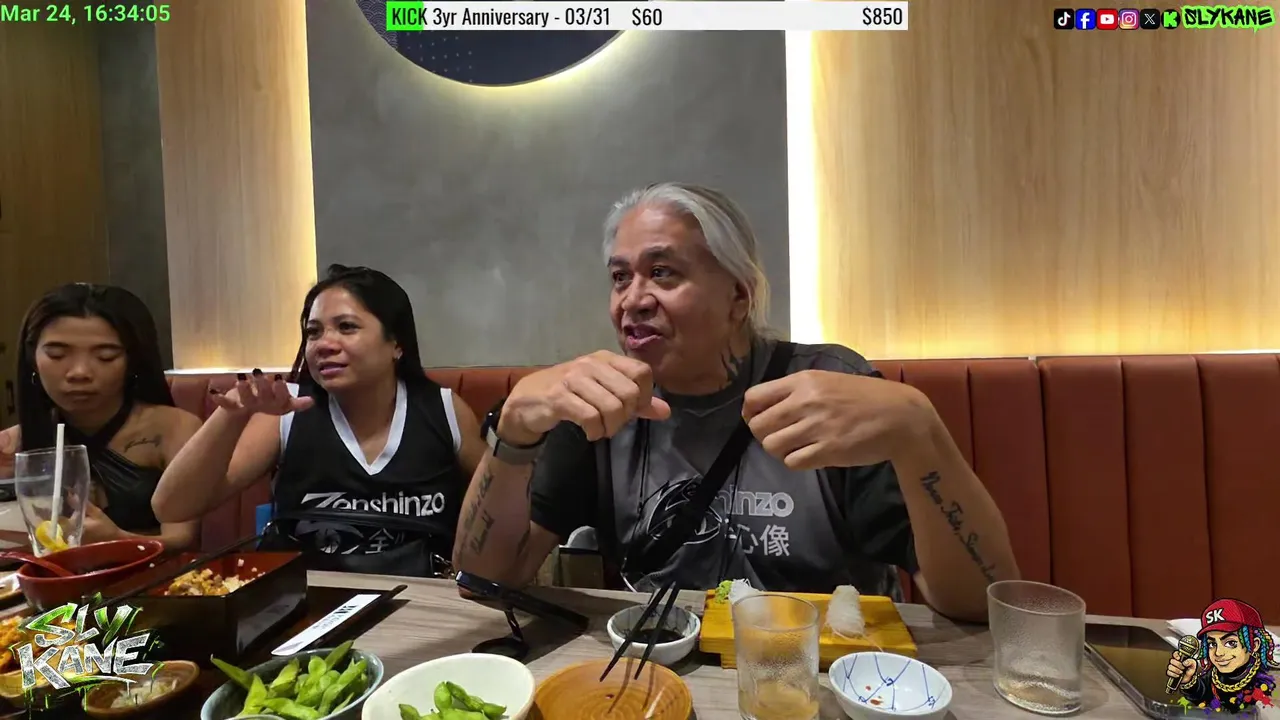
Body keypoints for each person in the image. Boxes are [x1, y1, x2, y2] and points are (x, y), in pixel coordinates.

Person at [452, 182, 1020, 621]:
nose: (633, 300)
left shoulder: (830, 387)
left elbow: (978, 604)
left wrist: (921, 432)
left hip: (824, 674)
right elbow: (485, 579)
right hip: (658, 672)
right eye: (621, 278)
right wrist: (515, 433)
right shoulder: (602, 406)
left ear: (738, 298)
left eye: (663, 273)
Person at [153, 264, 486, 577]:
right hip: (307, 593)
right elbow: (171, 507)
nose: (324, 344)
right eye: (313, 332)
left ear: (396, 343)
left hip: (419, 595)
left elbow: (497, 508)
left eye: (347, 327)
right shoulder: (286, 411)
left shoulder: (444, 410)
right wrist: (231, 416)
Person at [0, 283, 201, 551]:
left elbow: (183, 540)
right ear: (32, 359)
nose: (79, 372)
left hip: (156, 575)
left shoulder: (172, 429)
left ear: (133, 361)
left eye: (105, 357)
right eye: (57, 355)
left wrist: (118, 540)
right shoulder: (10, 446)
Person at [1166, 599, 1277, 713]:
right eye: (1212, 644)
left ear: (1254, 645)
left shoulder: (1265, 683)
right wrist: (1188, 680)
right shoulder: (1214, 675)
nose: (1218, 653)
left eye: (1231, 643)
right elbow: (1203, 695)